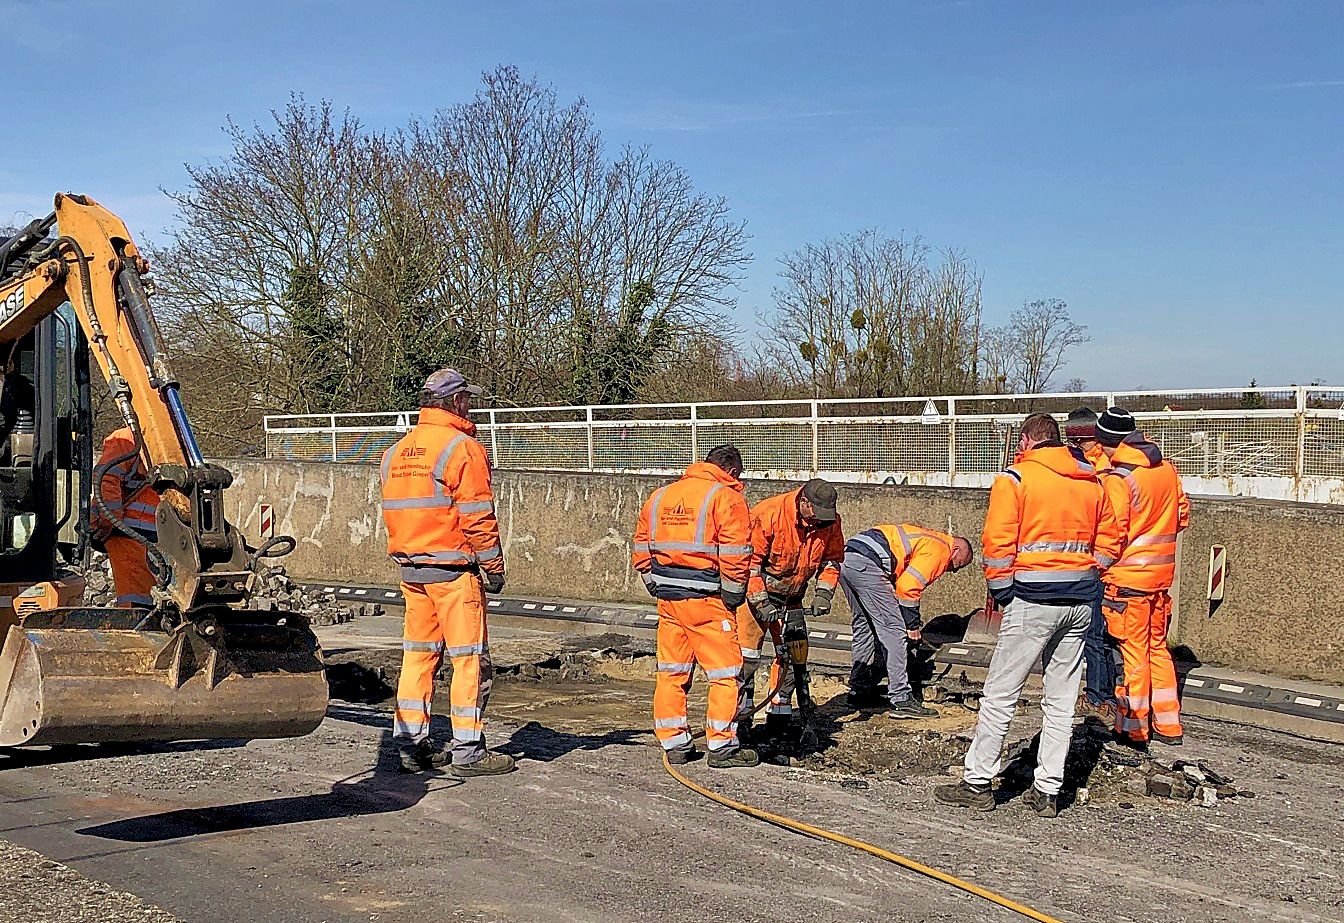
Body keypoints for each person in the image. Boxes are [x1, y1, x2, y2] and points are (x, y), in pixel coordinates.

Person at [936, 413, 1120, 817]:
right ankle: (1048, 791)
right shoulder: (1093, 482)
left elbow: (998, 542)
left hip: (1033, 599)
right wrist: (1091, 573)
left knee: (1001, 693)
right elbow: (1111, 539)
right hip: (1081, 600)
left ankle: (978, 782)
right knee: (1061, 699)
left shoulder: (1015, 480)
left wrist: (1003, 591)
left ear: (1026, 441)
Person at [380, 368, 515, 776]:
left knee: (418, 658)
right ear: (456, 402)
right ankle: (469, 749)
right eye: (467, 399)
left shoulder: (396, 452)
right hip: (454, 573)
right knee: (469, 659)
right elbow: (477, 517)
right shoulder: (462, 448)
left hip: (412, 571)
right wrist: (493, 567)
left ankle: (410, 745)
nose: (470, 406)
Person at [632, 444, 758, 768]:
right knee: (726, 673)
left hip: (668, 600)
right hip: (708, 600)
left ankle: (675, 744)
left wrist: (653, 582)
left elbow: (641, 543)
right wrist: (733, 593)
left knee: (672, 672)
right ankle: (722, 746)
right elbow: (736, 550)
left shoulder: (661, 495)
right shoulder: (726, 497)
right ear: (731, 471)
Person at [1095, 407, 1192, 747]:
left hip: (1128, 581)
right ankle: (1168, 724)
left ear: (1107, 441)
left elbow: (1112, 533)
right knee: (1157, 649)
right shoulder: (1166, 470)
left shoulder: (1119, 479)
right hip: (1161, 579)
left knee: (1133, 656)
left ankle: (1133, 728)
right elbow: (1182, 516)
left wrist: (1096, 568)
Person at [735, 479, 844, 738]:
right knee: (747, 657)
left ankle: (780, 712)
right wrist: (760, 602)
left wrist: (823, 594)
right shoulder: (768, 515)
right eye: (815, 516)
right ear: (804, 502)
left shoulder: (829, 522)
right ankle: (742, 715)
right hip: (758, 595)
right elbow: (749, 565)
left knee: (793, 656)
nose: (818, 523)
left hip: (793, 597)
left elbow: (832, 561)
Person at [841, 523, 974, 718]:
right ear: (956, 550)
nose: (952, 570)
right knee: (895, 633)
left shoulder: (928, 538)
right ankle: (901, 698)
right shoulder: (941, 550)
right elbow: (908, 587)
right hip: (869, 564)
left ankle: (858, 690)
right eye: (957, 564)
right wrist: (911, 626)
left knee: (865, 626)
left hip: (847, 558)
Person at [1064, 407, 1119, 724]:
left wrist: (1094, 567)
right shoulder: (1104, 465)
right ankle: (1104, 693)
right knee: (1101, 636)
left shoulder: (1100, 472)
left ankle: (1101, 697)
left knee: (1095, 636)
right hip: (1106, 564)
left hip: (1099, 566)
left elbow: (1108, 524)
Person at [91, 426, 159, 608]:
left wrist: (109, 520)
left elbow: (106, 478)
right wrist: (111, 519)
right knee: (142, 596)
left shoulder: (129, 439)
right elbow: (106, 479)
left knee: (140, 595)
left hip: (135, 532)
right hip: (138, 531)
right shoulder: (131, 440)